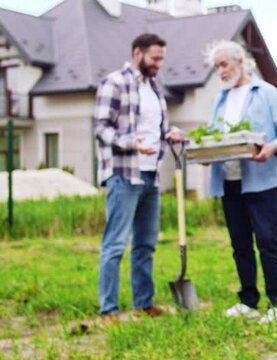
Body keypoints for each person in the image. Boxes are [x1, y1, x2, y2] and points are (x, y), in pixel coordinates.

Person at [205, 40, 277, 323]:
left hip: (262, 181)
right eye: (216, 67)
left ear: (240, 62)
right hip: (229, 182)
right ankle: (248, 300)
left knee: (268, 242)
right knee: (240, 244)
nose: (220, 71)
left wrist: (271, 148)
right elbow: (212, 138)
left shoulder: (267, 93)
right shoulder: (220, 100)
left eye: (224, 65)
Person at [95, 33, 185, 323]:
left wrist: (169, 134)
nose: (159, 64)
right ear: (137, 53)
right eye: (154, 58)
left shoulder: (155, 88)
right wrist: (132, 143)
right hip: (123, 174)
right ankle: (108, 310)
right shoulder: (115, 83)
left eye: (161, 58)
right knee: (115, 244)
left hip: (151, 175)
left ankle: (143, 303)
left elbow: (156, 128)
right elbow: (102, 128)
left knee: (145, 244)